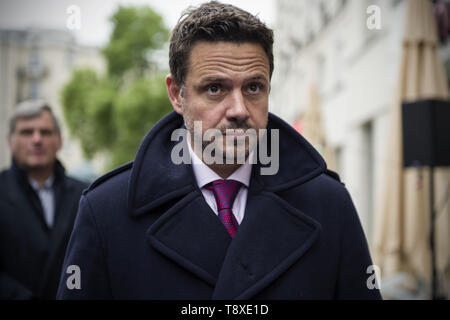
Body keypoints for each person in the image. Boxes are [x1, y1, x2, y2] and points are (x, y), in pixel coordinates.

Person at [57, 1, 382, 299]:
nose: (239, 109)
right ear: (177, 94)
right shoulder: (107, 211)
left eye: (253, 87)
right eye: (215, 89)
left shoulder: (328, 203)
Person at [0, 100, 87, 299]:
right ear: (10, 142)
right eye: (26, 132)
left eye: (46, 132)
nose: (37, 139)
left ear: (59, 141)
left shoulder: (85, 195)